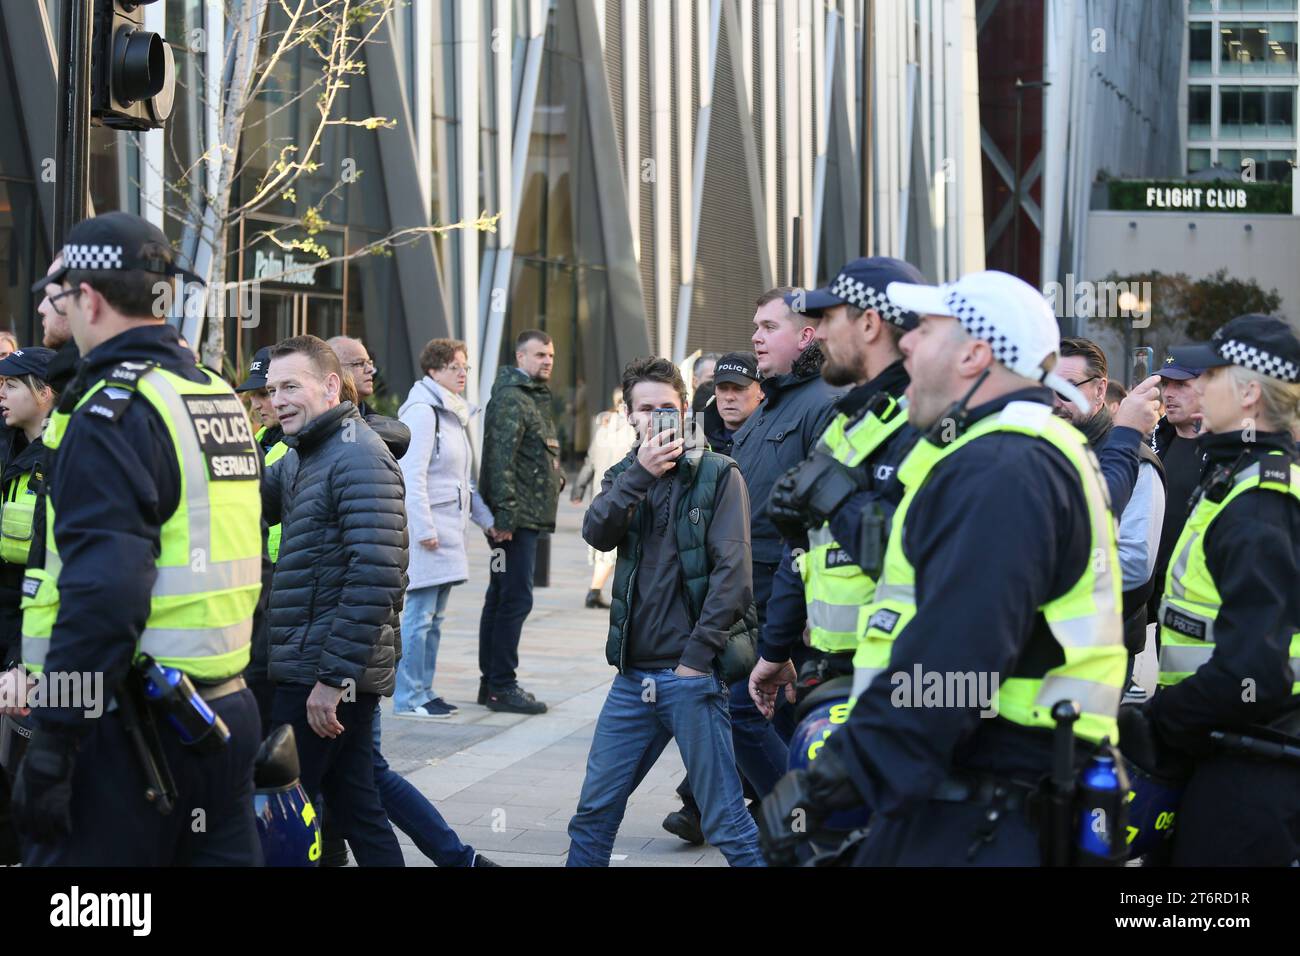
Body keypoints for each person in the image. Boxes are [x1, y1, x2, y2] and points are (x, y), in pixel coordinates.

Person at [759, 270, 1126, 866]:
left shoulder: (1004, 465)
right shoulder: (998, 450)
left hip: (994, 799)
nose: (905, 343)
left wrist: (836, 778)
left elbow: (958, 656)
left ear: (975, 355)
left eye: (925, 330)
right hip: (977, 787)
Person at [9, 212, 263, 865]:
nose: (52, 307)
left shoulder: (108, 412)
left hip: (129, 736)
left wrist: (52, 748)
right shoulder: (210, 393)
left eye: (60, 296)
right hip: (221, 711)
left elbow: (104, 596)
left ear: (89, 300)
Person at [663, 293, 847, 843]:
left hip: (788, 599)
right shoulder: (771, 404)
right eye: (755, 326)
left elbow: (820, 522)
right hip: (749, 594)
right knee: (783, 719)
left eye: (769, 326)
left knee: (741, 713)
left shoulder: (824, 403)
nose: (757, 337)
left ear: (806, 336)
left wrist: (798, 624)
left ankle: (796, 825)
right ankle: (814, 824)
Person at [567, 357, 764, 867]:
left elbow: (732, 577)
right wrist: (639, 476)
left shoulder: (720, 474)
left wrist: (696, 662)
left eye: (667, 408)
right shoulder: (623, 476)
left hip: (689, 675)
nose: (657, 418)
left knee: (725, 820)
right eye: (645, 409)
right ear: (629, 416)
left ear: (685, 409)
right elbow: (597, 533)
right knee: (594, 811)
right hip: (633, 679)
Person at [1133, 314, 1300, 865]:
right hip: (1231, 745)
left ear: (1250, 392)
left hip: (1253, 765)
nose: (1197, 384)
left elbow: (1253, 669)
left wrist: (1154, 721)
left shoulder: (1260, 499)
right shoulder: (1243, 475)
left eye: (1212, 375)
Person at [754, 257, 928, 714]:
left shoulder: (924, 421)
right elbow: (809, 552)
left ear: (870, 323)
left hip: (897, 678)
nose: (822, 333)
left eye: (830, 318)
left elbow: (920, 557)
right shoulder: (851, 419)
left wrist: (837, 500)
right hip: (832, 665)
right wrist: (776, 650)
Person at [262, 334, 407, 867]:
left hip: (322, 673)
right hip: (317, 664)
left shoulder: (358, 458)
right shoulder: (307, 451)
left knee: (280, 805)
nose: (277, 400)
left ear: (328, 385)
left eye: (290, 387)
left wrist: (332, 681)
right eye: (273, 388)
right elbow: (251, 498)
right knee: (356, 804)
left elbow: (378, 574)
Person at [1052, 338, 1166, 698]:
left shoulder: (1139, 462)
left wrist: (1044, 570)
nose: (1055, 402)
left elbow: (1134, 565)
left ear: (1101, 389)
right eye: (1047, 387)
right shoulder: (1046, 446)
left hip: (1103, 645)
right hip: (1039, 642)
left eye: (1068, 389)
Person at [394, 338, 494, 718]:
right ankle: (408, 697)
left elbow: (462, 480)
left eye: (465, 367)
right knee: (418, 618)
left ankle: (425, 690)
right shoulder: (423, 412)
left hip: (449, 530)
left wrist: (486, 520)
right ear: (434, 370)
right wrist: (423, 528)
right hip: (431, 532)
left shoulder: (450, 411)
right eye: (456, 367)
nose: (463, 374)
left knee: (433, 619)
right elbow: (411, 475)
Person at [477, 330, 563, 714]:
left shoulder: (531, 396)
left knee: (502, 597)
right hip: (515, 520)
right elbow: (499, 459)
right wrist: (506, 515)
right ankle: (501, 685)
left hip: (524, 516)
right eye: (540, 354)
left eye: (551, 355)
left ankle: (491, 683)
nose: (547, 361)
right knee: (513, 598)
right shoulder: (512, 397)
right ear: (520, 356)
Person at [0, 347, 56, 865]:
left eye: (12, 384)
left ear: (44, 392)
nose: (2, 394)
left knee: (26, 757)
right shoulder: (5, 449)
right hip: (7, 622)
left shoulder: (63, 461)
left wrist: (21, 658)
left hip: (33, 631)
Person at [234, 345, 284, 731]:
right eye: (253, 395)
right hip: (257, 589)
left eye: (265, 393)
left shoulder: (299, 445)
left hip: (283, 589)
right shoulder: (260, 439)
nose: (257, 404)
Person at [1147, 357, 1207, 625]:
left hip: (1202, 599)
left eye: (1181, 384)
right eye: (1167, 384)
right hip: (1157, 592)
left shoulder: (1230, 454)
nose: (1168, 393)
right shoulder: (1153, 443)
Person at [570, 388, 637, 609]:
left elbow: (590, 460)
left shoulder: (604, 427)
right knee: (613, 551)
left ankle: (597, 590)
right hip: (623, 493)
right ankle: (595, 590)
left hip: (601, 493)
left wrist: (578, 488)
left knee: (605, 549)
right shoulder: (632, 430)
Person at [705, 352, 763, 456]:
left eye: (739, 388)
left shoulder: (774, 440)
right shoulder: (695, 433)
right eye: (722, 388)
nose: (729, 397)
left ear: (761, 391)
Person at [327, 335, 377, 417]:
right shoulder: (310, 418)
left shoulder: (380, 426)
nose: (370, 369)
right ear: (333, 369)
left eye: (369, 363)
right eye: (359, 363)